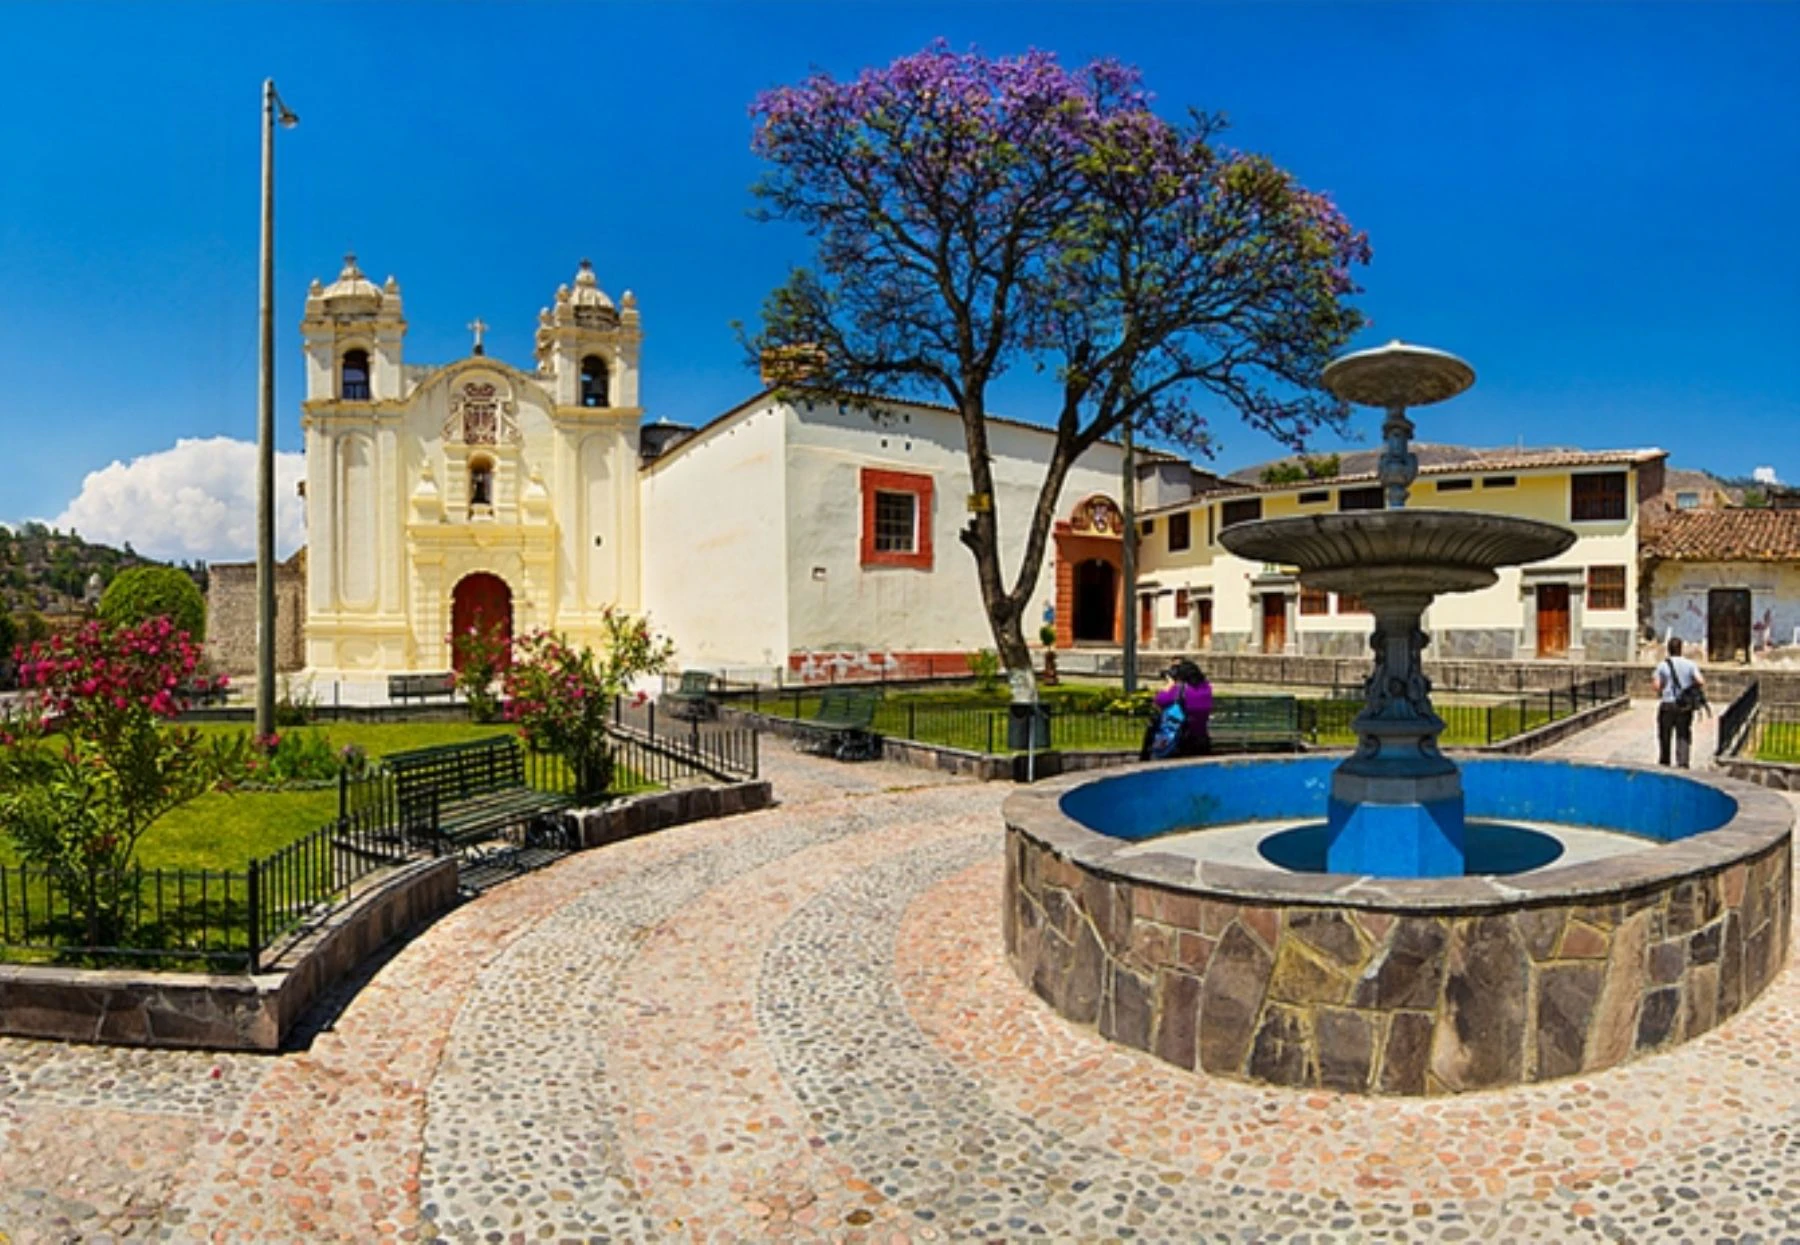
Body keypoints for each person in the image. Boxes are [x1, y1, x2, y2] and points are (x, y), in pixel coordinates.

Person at [1140, 659, 1213, 760]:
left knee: (1152, 730)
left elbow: (1159, 700)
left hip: (1181, 740)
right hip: (1201, 738)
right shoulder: (1206, 689)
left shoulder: (1180, 690)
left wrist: (1170, 684)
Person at [1652, 636, 1706, 768]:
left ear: (1668, 650)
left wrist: (1665, 687)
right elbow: (1700, 681)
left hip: (1668, 704)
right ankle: (1683, 762)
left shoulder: (1662, 666)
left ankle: (1665, 761)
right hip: (1684, 705)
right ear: (1681, 649)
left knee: (1665, 734)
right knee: (1683, 734)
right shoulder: (1690, 664)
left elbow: (1657, 686)